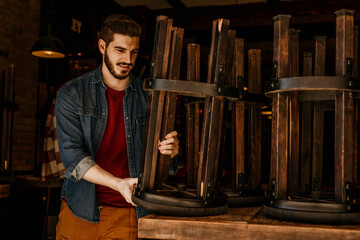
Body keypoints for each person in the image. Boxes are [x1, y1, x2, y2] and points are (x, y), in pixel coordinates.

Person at [55, 14, 179, 240]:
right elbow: (72, 158)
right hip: (79, 211)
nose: (128, 59)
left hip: (129, 212)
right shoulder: (72, 93)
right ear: (102, 46)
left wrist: (170, 153)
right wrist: (118, 184)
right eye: (120, 50)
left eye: (133, 52)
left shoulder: (149, 97)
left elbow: (161, 160)